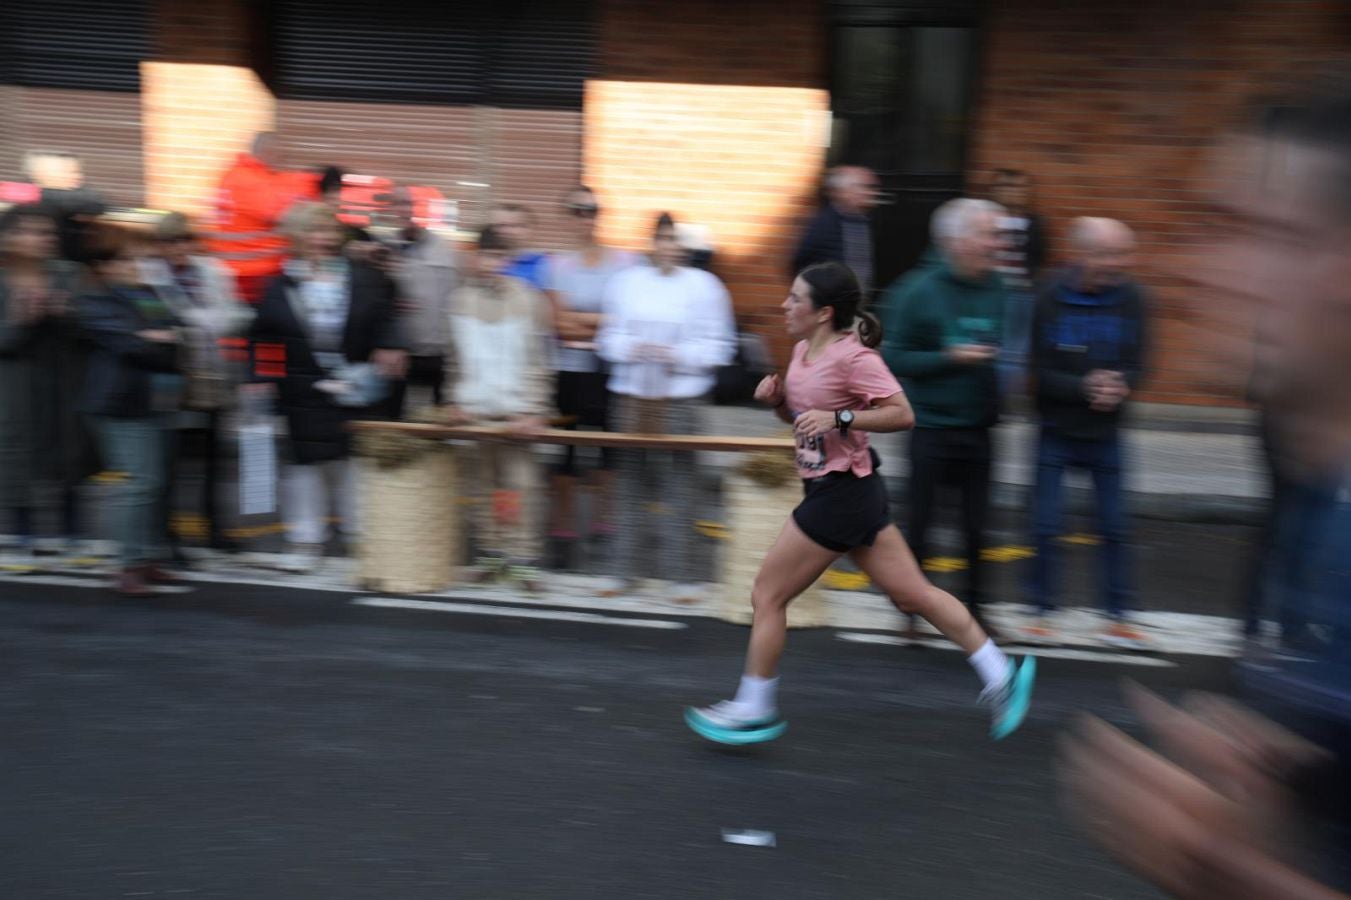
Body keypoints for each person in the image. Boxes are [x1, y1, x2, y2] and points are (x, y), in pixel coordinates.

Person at [1060, 72, 1351, 899]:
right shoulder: (1320, 492)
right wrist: (1296, 773)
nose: (1202, 268)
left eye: (1253, 232)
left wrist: (1213, 864)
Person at [684, 262, 1036, 744]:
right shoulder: (802, 350)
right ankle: (1000, 672)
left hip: (841, 495)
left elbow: (902, 414)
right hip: (850, 491)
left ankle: (755, 706)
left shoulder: (855, 358)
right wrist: (780, 402)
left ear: (823, 312)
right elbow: (805, 420)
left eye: (795, 298)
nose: (785, 305)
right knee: (913, 595)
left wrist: (841, 418)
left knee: (768, 594)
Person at [250, 203, 405, 574]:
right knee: (305, 469)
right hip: (302, 389)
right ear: (297, 237)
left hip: (354, 385)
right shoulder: (279, 284)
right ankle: (306, 542)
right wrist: (262, 380)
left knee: (354, 466)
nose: (324, 238)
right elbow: (266, 337)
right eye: (314, 230)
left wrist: (389, 345)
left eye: (330, 230)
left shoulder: (364, 277)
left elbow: (386, 317)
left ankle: (361, 540)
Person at [880, 198, 1007, 635]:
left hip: (979, 427)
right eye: (989, 234)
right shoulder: (917, 290)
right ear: (958, 241)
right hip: (930, 427)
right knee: (922, 524)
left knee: (977, 527)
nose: (997, 243)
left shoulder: (998, 287)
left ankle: (976, 611)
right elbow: (893, 357)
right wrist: (949, 357)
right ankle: (911, 613)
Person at [597, 212, 736, 601]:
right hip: (631, 393)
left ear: (685, 247)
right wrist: (633, 348)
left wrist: (677, 355)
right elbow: (608, 338)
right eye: (662, 238)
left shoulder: (706, 286)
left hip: (682, 396)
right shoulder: (626, 282)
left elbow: (721, 346)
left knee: (683, 487)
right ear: (652, 243)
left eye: (675, 240)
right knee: (628, 483)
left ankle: (684, 576)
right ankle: (622, 572)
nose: (668, 246)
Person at [1025, 217, 1149, 648]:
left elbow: (1141, 363)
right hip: (1056, 429)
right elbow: (1038, 371)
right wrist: (1083, 387)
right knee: (1046, 523)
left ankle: (1118, 615)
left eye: (1123, 253)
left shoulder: (1134, 298)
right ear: (1081, 255)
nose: (1118, 263)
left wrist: (1122, 384)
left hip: (1107, 431)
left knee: (1115, 525)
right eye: (1108, 254)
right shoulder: (1048, 296)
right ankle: (1041, 611)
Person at [440, 225, 555, 589]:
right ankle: (492, 553)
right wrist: (454, 400)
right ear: (475, 257)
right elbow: (454, 359)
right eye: (485, 255)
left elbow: (539, 360)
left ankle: (522, 558)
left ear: (507, 259)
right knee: (483, 487)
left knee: (519, 488)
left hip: (516, 412)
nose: (491, 263)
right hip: (475, 412)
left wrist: (535, 409)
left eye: (498, 256)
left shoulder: (527, 299)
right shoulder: (460, 300)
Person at [76, 224, 183, 596]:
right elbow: (132, 346)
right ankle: (126, 564)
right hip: (117, 402)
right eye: (127, 258)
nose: (137, 264)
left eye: (140, 257)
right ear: (104, 265)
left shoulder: (146, 295)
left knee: (153, 483)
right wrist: (153, 338)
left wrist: (154, 337)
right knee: (139, 483)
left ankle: (145, 556)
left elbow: (174, 334)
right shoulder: (95, 300)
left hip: (150, 399)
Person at [140, 211, 254, 556]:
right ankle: (168, 531)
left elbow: (238, 311)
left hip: (212, 374)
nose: (180, 247)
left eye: (185, 240)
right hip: (171, 377)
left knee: (213, 457)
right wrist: (193, 323)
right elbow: (149, 321)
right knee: (171, 459)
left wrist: (217, 321)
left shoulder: (212, 271)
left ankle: (214, 526)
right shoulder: (148, 275)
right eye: (172, 241)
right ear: (161, 245)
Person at [0, 203, 95, 571]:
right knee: (16, 455)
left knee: (69, 452)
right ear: (9, 238)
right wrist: (21, 321)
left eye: (48, 232)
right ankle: (20, 536)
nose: (45, 238)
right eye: (33, 231)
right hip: (16, 386)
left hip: (64, 381)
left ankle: (74, 535)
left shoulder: (69, 275)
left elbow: (92, 328)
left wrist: (66, 314)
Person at [545, 186, 636, 558]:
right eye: (577, 211)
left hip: (609, 370)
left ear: (599, 215)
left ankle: (603, 521)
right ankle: (563, 525)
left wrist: (582, 321)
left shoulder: (624, 263)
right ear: (567, 217)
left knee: (608, 447)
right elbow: (559, 324)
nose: (584, 218)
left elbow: (624, 319)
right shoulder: (557, 265)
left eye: (590, 210)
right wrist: (601, 323)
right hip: (569, 370)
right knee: (565, 446)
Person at [206, 132, 319, 303]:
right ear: (268, 151)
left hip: (240, 267)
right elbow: (283, 215)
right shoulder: (251, 181)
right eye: (280, 155)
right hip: (252, 271)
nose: (282, 162)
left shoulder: (235, 173)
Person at [382, 185, 458, 414]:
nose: (405, 210)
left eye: (410, 203)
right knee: (391, 419)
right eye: (399, 204)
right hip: (397, 351)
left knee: (440, 420)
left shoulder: (446, 251)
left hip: (438, 352)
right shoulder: (384, 249)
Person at [989, 168, 1048, 394]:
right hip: (993, 291)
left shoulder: (1034, 222)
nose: (1013, 192)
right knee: (989, 343)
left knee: (1016, 349)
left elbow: (1039, 257)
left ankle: (1008, 397)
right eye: (1006, 186)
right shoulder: (988, 219)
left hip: (1022, 292)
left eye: (1020, 187)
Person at [791, 165, 879, 295]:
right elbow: (800, 260)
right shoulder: (825, 223)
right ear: (843, 192)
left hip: (854, 298)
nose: (871, 193)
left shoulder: (863, 220)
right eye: (863, 187)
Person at [488, 203, 550, 291]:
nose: (507, 231)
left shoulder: (547, 266)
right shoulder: (475, 263)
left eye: (515, 225)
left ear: (531, 230)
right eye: (500, 225)